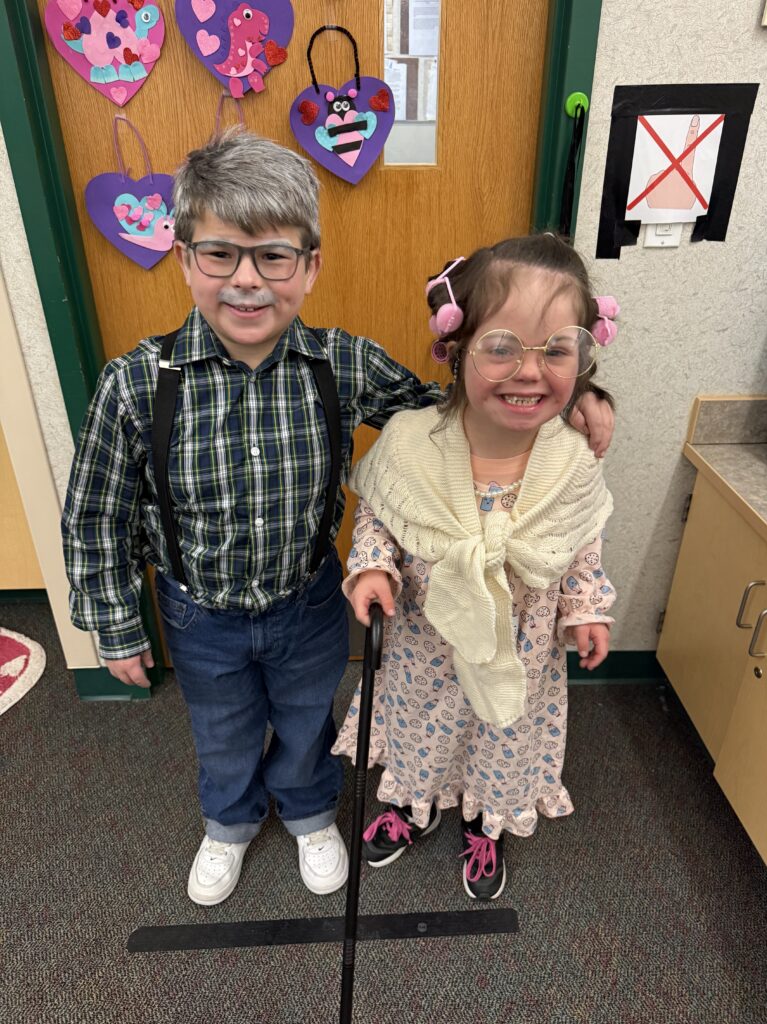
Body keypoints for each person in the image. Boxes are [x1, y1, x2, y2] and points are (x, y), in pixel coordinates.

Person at [61, 130, 615, 908]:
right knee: (221, 730)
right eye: (220, 255)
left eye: (274, 257)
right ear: (185, 258)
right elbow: (95, 516)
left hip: (309, 605)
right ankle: (228, 820)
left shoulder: (341, 363)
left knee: (303, 720)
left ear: (309, 266)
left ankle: (311, 811)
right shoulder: (133, 385)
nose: (247, 281)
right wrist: (117, 625)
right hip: (199, 614)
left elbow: (446, 420)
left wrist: (570, 400)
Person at [333, 234, 617, 900]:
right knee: (418, 733)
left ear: (582, 358)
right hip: (425, 648)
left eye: (555, 350)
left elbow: (579, 543)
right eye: (502, 347)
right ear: (457, 351)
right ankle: (411, 806)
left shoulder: (569, 458)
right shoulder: (413, 440)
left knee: (499, 737)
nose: (529, 371)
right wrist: (373, 567)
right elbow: (382, 512)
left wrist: (586, 607)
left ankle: (485, 820)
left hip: (520, 651)